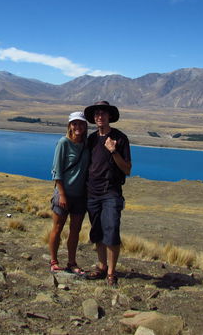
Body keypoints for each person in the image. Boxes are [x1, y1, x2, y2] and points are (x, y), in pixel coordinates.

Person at [83, 101, 132, 286]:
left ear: (110, 116)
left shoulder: (120, 139)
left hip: (111, 192)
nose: (99, 117)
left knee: (111, 231)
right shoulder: (92, 139)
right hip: (92, 193)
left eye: (103, 113)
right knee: (97, 232)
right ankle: (102, 267)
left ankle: (112, 272)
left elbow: (127, 169)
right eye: (96, 114)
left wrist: (113, 152)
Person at [48, 111, 90, 275]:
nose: (78, 126)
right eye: (75, 123)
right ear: (70, 126)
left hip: (80, 195)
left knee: (75, 230)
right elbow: (56, 171)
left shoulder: (87, 145)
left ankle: (72, 262)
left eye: (81, 123)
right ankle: (54, 261)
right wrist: (63, 194)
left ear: (85, 126)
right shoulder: (63, 143)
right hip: (63, 194)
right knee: (57, 228)